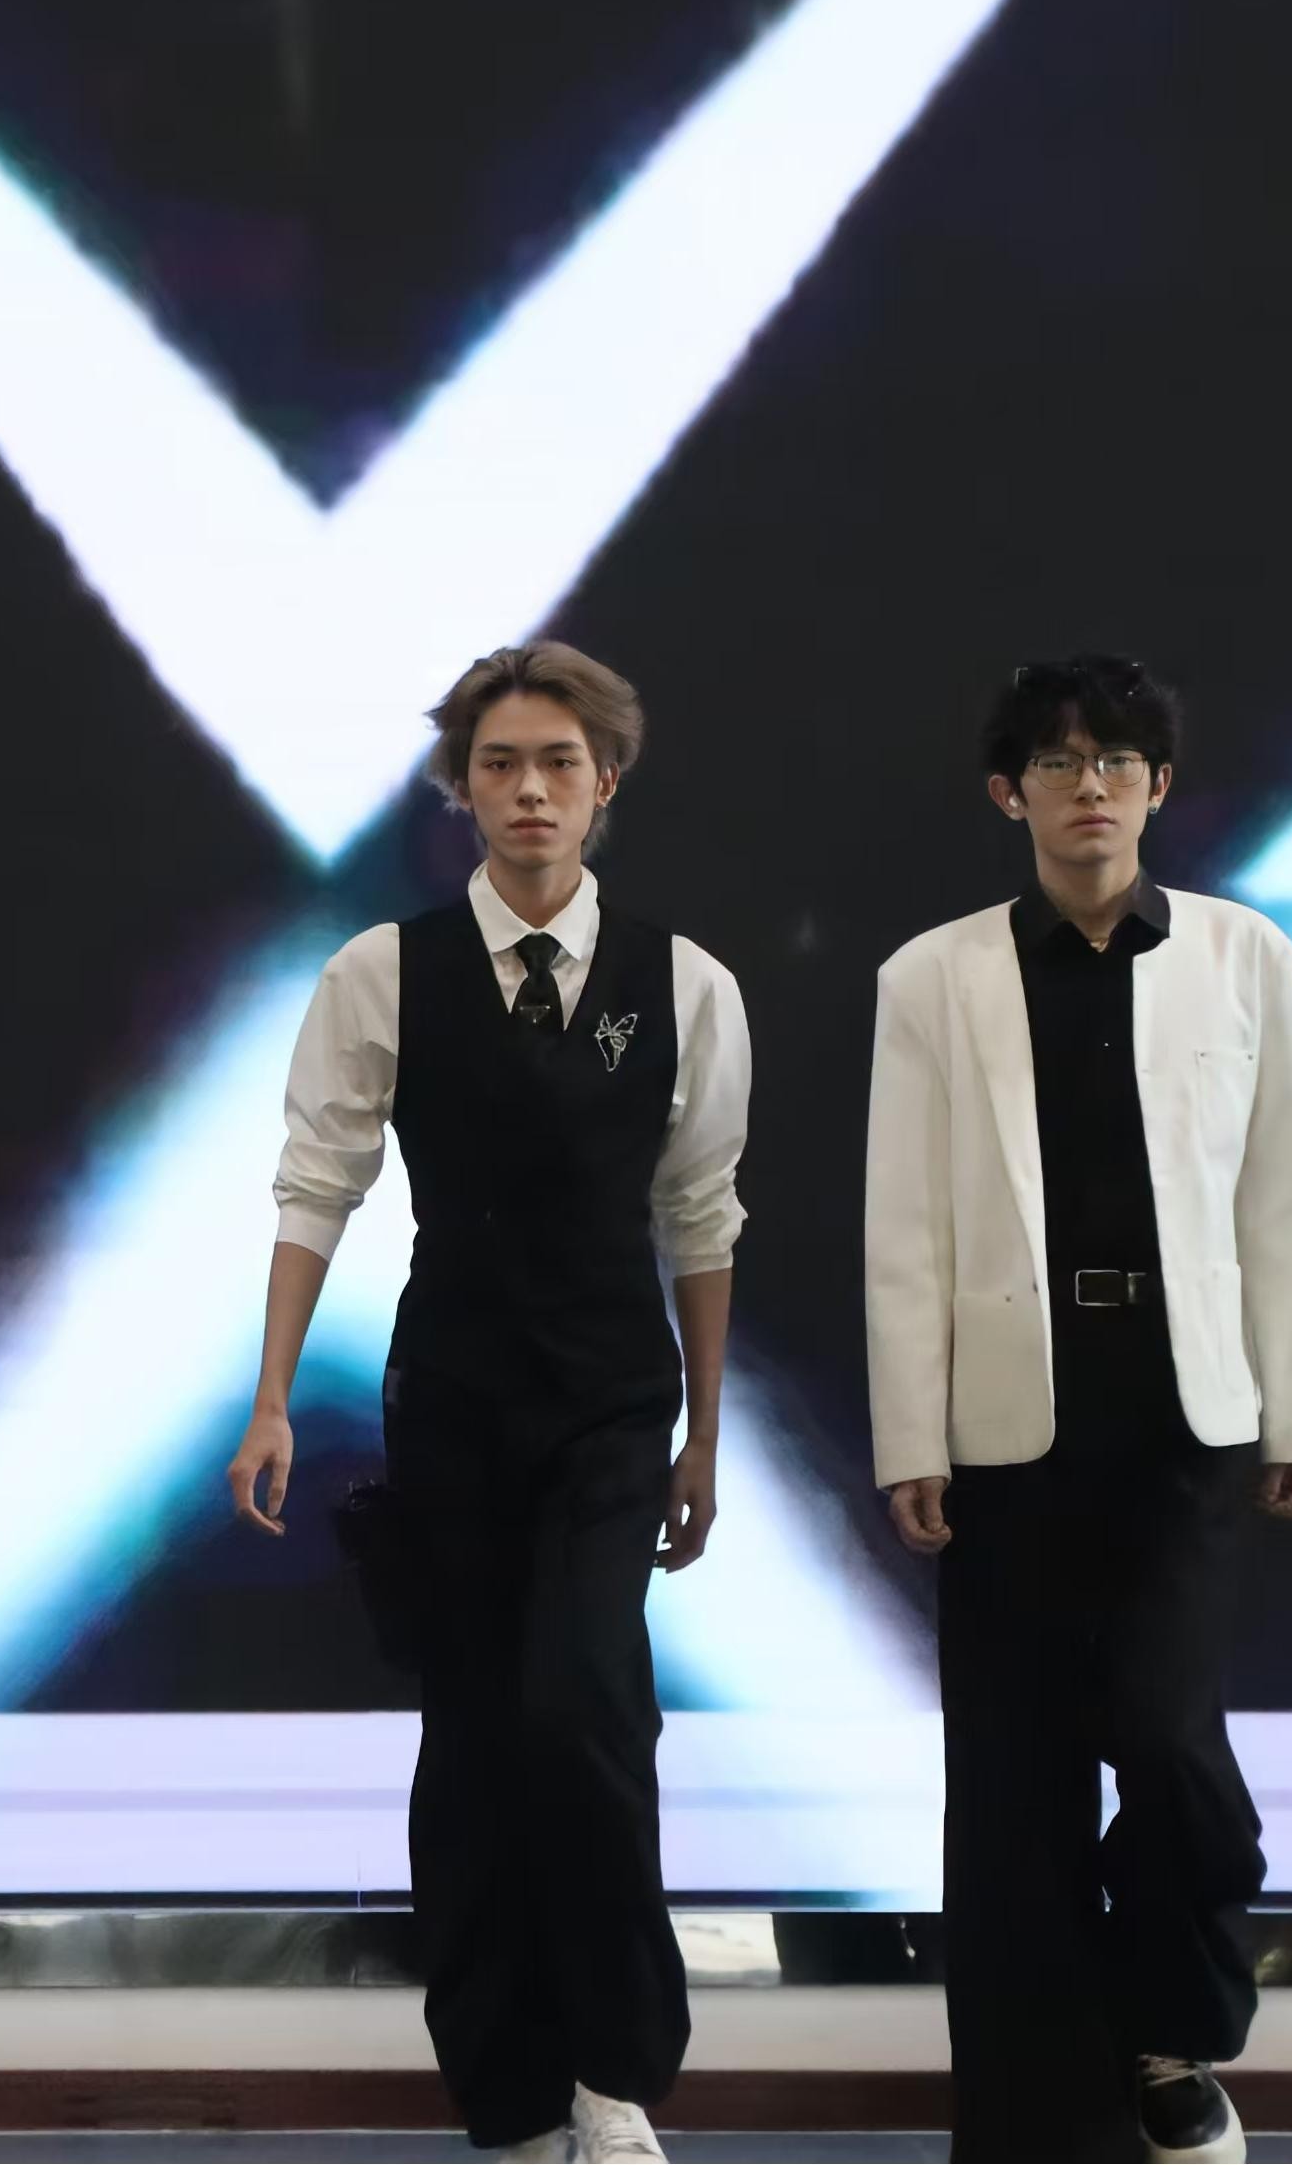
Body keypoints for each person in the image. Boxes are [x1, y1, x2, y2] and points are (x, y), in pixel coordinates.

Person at [226, 642, 753, 2165]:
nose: (531, 790)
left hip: (612, 1407)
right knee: (471, 1741)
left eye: (559, 762)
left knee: (584, 1712)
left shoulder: (687, 984)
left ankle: (615, 2075)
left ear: (606, 782)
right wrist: (272, 1396)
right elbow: (316, 1184)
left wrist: (705, 1433)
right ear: (460, 789)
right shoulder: (380, 972)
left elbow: (702, 1216)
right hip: (452, 1402)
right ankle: (510, 2097)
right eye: (501, 764)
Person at [862, 655, 1292, 2165]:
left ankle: (1167, 2031)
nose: (1091, 787)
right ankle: (1031, 2118)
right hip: (1007, 1423)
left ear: (1158, 787)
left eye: (1118, 761)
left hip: (1183, 1411)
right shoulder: (933, 975)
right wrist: (910, 1432)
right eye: (1060, 763)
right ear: (1010, 792)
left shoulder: (1243, 954)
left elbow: (1282, 1192)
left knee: (1168, 1739)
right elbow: (905, 1225)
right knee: (1014, 1781)